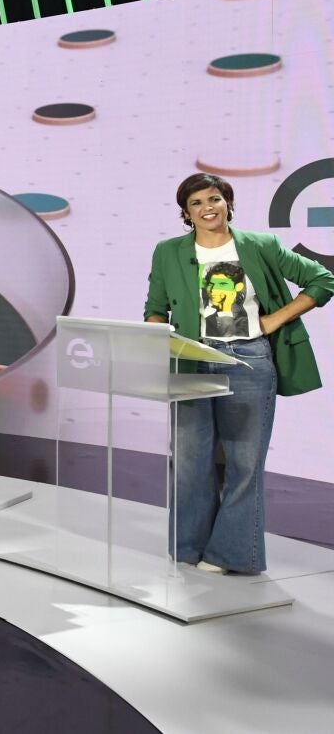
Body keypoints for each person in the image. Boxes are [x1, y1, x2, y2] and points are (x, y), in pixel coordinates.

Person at [144, 173, 333, 574]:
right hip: (190, 360)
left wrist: (274, 320)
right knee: (191, 462)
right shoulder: (168, 252)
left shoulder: (261, 245)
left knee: (244, 465)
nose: (207, 208)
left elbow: (322, 279)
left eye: (214, 198)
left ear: (227, 203)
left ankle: (229, 554)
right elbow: (155, 308)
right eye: (196, 203)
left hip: (249, 361)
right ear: (186, 213)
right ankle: (188, 547)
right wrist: (156, 336)